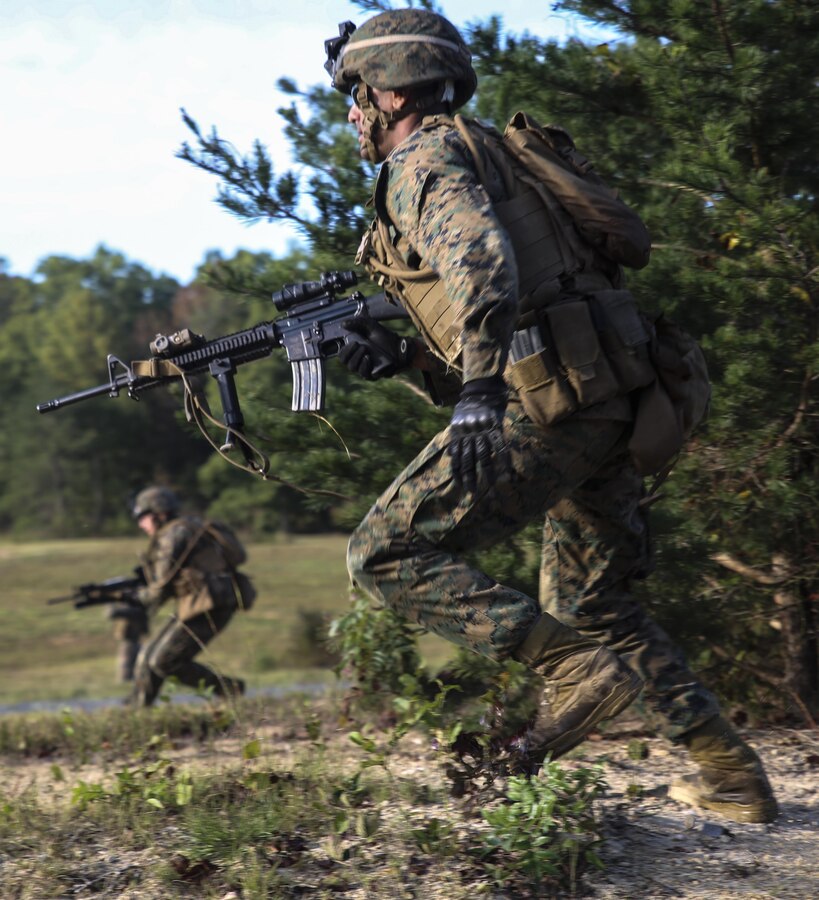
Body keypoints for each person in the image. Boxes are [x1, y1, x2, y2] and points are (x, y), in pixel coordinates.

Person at [326, 8, 777, 824]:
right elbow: (525, 286)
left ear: (389, 95)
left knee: (383, 552)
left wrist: (475, 396)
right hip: (609, 393)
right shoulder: (489, 152)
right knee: (596, 600)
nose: (353, 115)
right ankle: (731, 777)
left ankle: (570, 671)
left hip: (549, 401)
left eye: (356, 96)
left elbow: (484, 267)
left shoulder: (422, 160)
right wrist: (404, 364)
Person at [129, 486, 254, 706]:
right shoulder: (188, 525)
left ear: (159, 514)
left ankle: (229, 689)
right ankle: (139, 708)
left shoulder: (173, 533)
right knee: (149, 656)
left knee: (164, 661)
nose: (141, 524)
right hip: (206, 601)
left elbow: (161, 585)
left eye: (143, 517)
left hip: (209, 603)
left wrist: (136, 598)